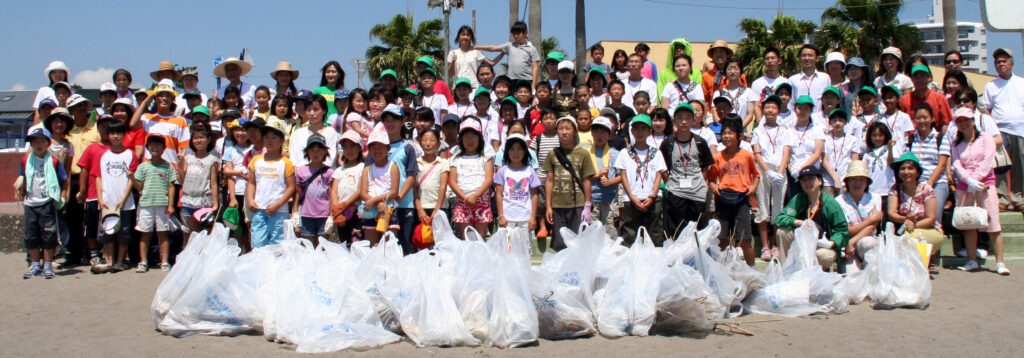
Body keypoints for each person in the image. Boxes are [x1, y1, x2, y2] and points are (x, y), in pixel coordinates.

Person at [949, 108, 1008, 274]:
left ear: (973, 120)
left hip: (985, 185)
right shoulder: (956, 143)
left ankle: (1000, 262)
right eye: (960, 121)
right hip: (965, 187)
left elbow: (988, 160)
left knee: (993, 224)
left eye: (966, 120)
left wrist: (975, 179)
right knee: (970, 225)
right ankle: (972, 260)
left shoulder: (986, 137)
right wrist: (968, 180)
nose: (963, 123)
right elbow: (957, 163)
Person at [776, 166, 850, 270]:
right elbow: (781, 218)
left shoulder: (831, 204)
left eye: (811, 179)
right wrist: (798, 222)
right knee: (782, 232)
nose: (807, 183)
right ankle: (785, 271)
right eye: (804, 180)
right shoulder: (798, 200)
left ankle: (819, 273)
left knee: (823, 256)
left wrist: (831, 243)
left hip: (823, 246)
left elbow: (842, 230)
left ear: (820, 181)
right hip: (802, 243)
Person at [709, 115, 760, 264]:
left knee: (744, 239)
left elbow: (757, 175)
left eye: (730, 133)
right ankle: (720, 267)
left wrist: (753, 188)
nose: (726, 136)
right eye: (724, 133)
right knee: (723, 239)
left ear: (739, 136)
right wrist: (714, 188)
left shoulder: (747, 156)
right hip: (723, 199)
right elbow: (711, 179)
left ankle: (751, 268)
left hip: (741, 199)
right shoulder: (718, 157)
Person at [19, 127, 69, 279]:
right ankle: (35, 264)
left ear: (48, 144)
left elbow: (64, 180)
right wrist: (20, 186)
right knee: (31, 235)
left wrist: (63, 197)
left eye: (42, 141)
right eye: (35, 142)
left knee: (49, 234)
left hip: (47, 202)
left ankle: (47, 264)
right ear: (31, 144)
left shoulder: (54, 161)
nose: (38, 145)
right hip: (30, 203)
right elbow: (22, 178)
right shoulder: (26, 161)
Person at [370, 105, 420, 254]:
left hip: (405, 204)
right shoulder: (375, 147)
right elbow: (368, 175)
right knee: (385, 247)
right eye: (386, 120)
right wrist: (378, 201)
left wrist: (398, 197)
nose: (390, 123)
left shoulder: (408, 147)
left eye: (394, 120)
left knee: (406, 245)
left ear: (402, 122)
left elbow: (412, 175)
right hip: (381, 206)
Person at [980, 48, 1024, 213]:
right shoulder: (991, 86)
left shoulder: (1021, 83)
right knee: (1001, 167)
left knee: (1020, 167)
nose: (1001, 64)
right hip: (1000, 132)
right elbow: (986, 109)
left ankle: (1019, 198)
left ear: (1011, 63)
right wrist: (992, 130)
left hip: (1020, 131)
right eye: (998, 62)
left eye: (1004, 61)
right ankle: (1002, 198)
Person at [544, 116, 596, 251]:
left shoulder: (583, 154)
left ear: (575, 131)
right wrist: (548, 206)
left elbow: (587, 180)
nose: (564, 132)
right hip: (557, 205)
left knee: (578, 242)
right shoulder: (552, 154)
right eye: (560, 129)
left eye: (567, 128)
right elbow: (549, 180)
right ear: (556, 132)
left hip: (577, 205)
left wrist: (587, 205)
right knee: (559, 242)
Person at [615, 114, 667, 245]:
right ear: (631, 131)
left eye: (644, 129)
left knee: (654, 232)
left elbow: (658, 176)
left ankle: (655, 256)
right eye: (636, 129)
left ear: (650, 132)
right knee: (630, 233)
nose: (640, 132)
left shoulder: (656, 153)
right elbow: (623, 176)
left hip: (652, 198)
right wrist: (632, 197)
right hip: (631, 198)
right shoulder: (625, 153)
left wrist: (652, 196)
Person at [93, 120, 138, 273]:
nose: (116, 136)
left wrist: (124, 199)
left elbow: (131, 179)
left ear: (124, 135)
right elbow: (98, 177)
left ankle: (120, 260)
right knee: (108, 232)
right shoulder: (103, 155)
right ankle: (110, 260)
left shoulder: (130, 154)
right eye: (112, 133)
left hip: (125, 203)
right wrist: (100, 199)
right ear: (108, 135)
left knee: (124, 232)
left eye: (119, 133)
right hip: (107, 202)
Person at [752, 95, 792, 260]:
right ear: (763, 110)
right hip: (763, 170)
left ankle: (775, 244)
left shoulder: (785, 130)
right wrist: (767, 171)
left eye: (773, 107)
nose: (770, 110)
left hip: (780, 170)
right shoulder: (758, 130)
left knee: (778, 207)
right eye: (767, 107)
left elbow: (786, 151)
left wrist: (780, 172)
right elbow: (757, 152)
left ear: (778, 111)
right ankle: (765, 246)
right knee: (763, 207)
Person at [887, 153, 944, 268]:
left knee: (908, 237)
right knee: (906, 237)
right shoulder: (895, 189)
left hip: (929, 230)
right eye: (903, 168)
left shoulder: (927, 189)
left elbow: (931, 218)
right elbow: (891, 213)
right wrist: (905, 220)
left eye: (910, 168)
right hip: (907, 229)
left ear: (917, 172)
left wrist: (914, 224)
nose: (906, 172)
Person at [132, 134, 177, 273]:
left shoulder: (168, 167)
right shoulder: (143, 166)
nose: (155, 147)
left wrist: (171, 205)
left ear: (164, 148)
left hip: (162, 205)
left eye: (158, 145)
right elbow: (139, 186)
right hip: (145, 205)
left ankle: (164, 261)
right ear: (147, 147)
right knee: (145, 233)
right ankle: (143, 261)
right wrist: (131, 177)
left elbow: (171, 186)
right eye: (152, 145)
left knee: (163, 234)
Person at [246, 121, 296, 248]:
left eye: (274, 138)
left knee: (278, 244)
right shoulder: (256, 160)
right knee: (258, 243)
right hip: (259, 208)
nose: (270, 141)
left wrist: (278, 204)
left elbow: (291, 187)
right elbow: (251, 183)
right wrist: (250, 200)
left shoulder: (286, 162)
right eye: (267, 137)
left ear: (282, 140)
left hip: (279, 210)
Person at [907, 103, 951, 230]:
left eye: (925, 117)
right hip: (915, 184)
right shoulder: (910, 140)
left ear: (932, 118)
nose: (922, 121)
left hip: (937, 183)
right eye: (918, 118)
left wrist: (929, 183)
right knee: (913, 217)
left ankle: (934, 241)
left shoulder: (941, 138)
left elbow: (941, 165)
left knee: (933, 218)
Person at [448, 118, 494, 237]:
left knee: (479, 239)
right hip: (462, 201)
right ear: (461, 139)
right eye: (466, 137)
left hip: (482, 201)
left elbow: (489, 180)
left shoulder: (486, 158)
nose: (470, 140)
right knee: (467, 239)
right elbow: (452, 182)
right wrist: (465, 198)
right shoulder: (455, 159)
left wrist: (475, 196)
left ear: (480, 138)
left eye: (473, 136)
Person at [835, 160, 883, 267]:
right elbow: (848, 230)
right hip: (846, 246)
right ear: (847, 182)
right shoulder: (839, 201)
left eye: (861, 180)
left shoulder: (875, 198)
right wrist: (871, 219)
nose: (857, 183)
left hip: (867, 241)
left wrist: (852, 242)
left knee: (868, 243)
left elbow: (872, 227)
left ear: (866, 183)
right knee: (851, 275)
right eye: (853, 179)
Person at [178, 121, 219, 239]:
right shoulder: (188, 158)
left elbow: (214, 183)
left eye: (202, 137)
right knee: (192, 235)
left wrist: (215, 204)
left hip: (204, 202)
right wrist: (180, 164)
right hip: (188, 201)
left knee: (205, 235)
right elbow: (182, 181)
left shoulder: (212, 160)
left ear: (208, 139)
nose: (199, 141)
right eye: (195, 138)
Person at [291, 134, 334, 246]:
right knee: (308, 246)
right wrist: (295, 213)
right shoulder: (300, 171)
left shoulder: (329, 172)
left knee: (323, 245)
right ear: (307, 152)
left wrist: (331, 215)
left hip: (324, 215)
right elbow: (297, 193)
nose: (316, 154)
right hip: (306, 214)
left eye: (319, 150)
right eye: (312, 150)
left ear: (325, 152)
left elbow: (332, 195)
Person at [494, 133, 541, 235]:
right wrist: (501, 216)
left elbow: (534, 195)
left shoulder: (530, 171)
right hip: (507, 219)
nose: (516, 153)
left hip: (525, 218)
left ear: (525, 151)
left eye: (519, 149)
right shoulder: (502, 171)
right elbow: (499, 194)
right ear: (507, 151)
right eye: (512, 149)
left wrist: (533, 217)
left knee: (525, 244)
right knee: (507, 244)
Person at [130, 86, 190, 166]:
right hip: (149, 168)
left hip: (171, 169)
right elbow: (133, 124)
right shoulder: (147, 118)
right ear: (155, 98)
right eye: (160, 96)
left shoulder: (180, 121)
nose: (164, 98)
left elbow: (184, 148)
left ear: (173, 99)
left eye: (168, 96)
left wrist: (182, 168)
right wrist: (146, 101)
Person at [358, 130, 399, 246]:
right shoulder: (367, 169)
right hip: (370, 209)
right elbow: (363, 192)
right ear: (369, 149)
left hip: (388, 209)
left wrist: (375, 201)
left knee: (389, 245)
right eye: (374, 147)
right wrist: (377, 203)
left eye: (381, 147)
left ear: (388, 148)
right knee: (371, 244)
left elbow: (394, 192)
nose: (377, 150)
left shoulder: (393, 167)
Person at [476, 21, 540, 91]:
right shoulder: (510, 46)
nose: (516, 36)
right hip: (511, 80)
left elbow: (535, 67)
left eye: (518, 34)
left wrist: (533, 85)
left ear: (526, 33)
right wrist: (476, 47)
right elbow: (493, 48)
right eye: (514, 34)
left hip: (526, 80)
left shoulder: (532, 49)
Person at [221, 119, 252, 250]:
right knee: (237, 226)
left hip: (252, 193)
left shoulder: (254, 149)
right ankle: (242, 250)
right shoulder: (230, 150)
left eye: (244, 130)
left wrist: (233, 172)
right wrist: (232, 198)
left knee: (251, 225)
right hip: (237, 192)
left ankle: (251, 251)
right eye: (237, 130)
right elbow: (228, 173)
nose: (240, 133)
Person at [330, 130, 366, 244]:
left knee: (357, 242)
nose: (349, 150)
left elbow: (360, 190)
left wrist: (345, 204)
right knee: (343, 242)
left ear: (360, 148)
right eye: (345, 147)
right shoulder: (339, 170)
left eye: (352, 146)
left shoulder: (363, 167)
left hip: (356, 211)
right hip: (341, 213)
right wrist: (336, 209)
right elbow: (334, 191)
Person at [530, 108, 560, 242]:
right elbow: (532, 156)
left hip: (557, 175)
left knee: (555, 201)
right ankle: (542, 226)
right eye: (545, 118)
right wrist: (534, 173)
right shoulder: (538, 138)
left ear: (557, 120)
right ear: (541, 121)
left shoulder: (560, 137)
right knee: (541, 202)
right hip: (541, 174)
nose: (548, 121)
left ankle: (554, 226)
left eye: (552, 118)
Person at [588, 116, 621, 238]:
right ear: (591, 133)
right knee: (592, 234)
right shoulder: (586, 153)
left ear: (609, 134)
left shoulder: (615, 154)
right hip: (592, 200)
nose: (599, 135)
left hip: (610, 200)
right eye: (596, 132)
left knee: (610, 233)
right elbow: (582, 179)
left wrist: (610, 182)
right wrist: (598, 175)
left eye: (603, 132)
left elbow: (622, 176)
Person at [788, 96, 825, 195]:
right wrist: (792, 170)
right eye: (799, 108)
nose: (802, 111)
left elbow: (817, 153)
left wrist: (802, 169)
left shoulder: (817, 129)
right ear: (795, 109)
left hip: (811, 173)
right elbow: (787, 153)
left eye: (806, 109)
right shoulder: (789, 130)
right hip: (794, 175)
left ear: (811, 110)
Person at [413, 128, 449, 231]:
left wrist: (437, 209)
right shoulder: (415, 163)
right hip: (421, 208)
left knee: (440, 238)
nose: (428, 144)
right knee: (421, 237)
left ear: (438, 144)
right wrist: (419, 209)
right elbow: (413, 188)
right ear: (420, 143)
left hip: (440, 207)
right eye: (424, 140)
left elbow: (443, 187)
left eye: (432, 140)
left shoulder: (443, 163)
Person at [821, 109, 863, 196]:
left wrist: (847, 180)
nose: (837, 123)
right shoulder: (826, 139)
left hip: (845, 181)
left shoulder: (852, 140)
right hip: (828, 181)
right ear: (830, 123)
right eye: (834, 121)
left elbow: (854, 162)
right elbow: (825, 161)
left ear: (845, 122)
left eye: (840, 120)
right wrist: (836, 180)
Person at [289, 96, 340, 167]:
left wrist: (315, 170)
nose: (312, 113)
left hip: (324, 172)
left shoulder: (331, 132)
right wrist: (302, 171)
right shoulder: (298, 133)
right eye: (308, 110)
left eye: (315, 109)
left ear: (324, 111)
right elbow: (294, 159)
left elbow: (330, 158)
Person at [901, 65, 953, 133]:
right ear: (912, 79)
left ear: (929, 78)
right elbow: (902, 124)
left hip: (934, 137)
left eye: (922, 76)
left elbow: (946, 123)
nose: (919, 80)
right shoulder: (904, 100)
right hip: (912, 138)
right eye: (916, 77)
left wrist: (942, 138)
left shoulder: (940, 98)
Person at [714, 59, 758, 130]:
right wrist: (723, 129)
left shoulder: (748, 92)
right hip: (723, 131)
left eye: (735, 69)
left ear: (741, 72)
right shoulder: (718, 93)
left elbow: (749, 115)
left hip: (741, 130)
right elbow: (715, 114)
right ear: (725, 72)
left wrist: (738, 130)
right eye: (729, 69)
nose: (732, 71)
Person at [789, 45, 831, 112]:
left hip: (819, 117)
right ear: (799, 58)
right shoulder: (792, 80)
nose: (807, 58)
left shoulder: (825, 78)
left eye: (810, 55)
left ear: (817, 58)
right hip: (799, 117)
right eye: (804, 55)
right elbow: (790, 104)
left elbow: (829, 100)